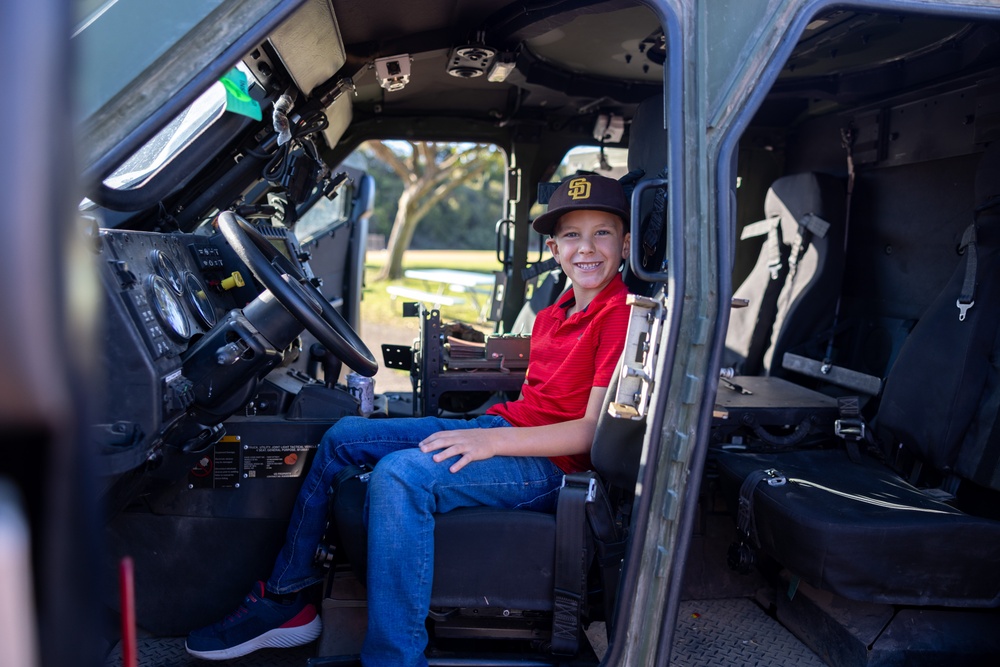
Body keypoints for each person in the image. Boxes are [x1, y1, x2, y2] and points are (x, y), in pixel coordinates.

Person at [185, 173, 633, 666]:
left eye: (602, 233)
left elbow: (590, 433)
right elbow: (537, 401)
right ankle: (286, 599)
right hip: (508, 429)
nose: (586, 248)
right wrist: (486, 432)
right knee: (344, 436)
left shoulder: (619, 315)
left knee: (401, 475)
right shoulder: (554, 312)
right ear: (552, 247)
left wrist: (489, 445)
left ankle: (394, 658)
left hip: (555, 466)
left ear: (626, 243)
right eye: (572, 235)